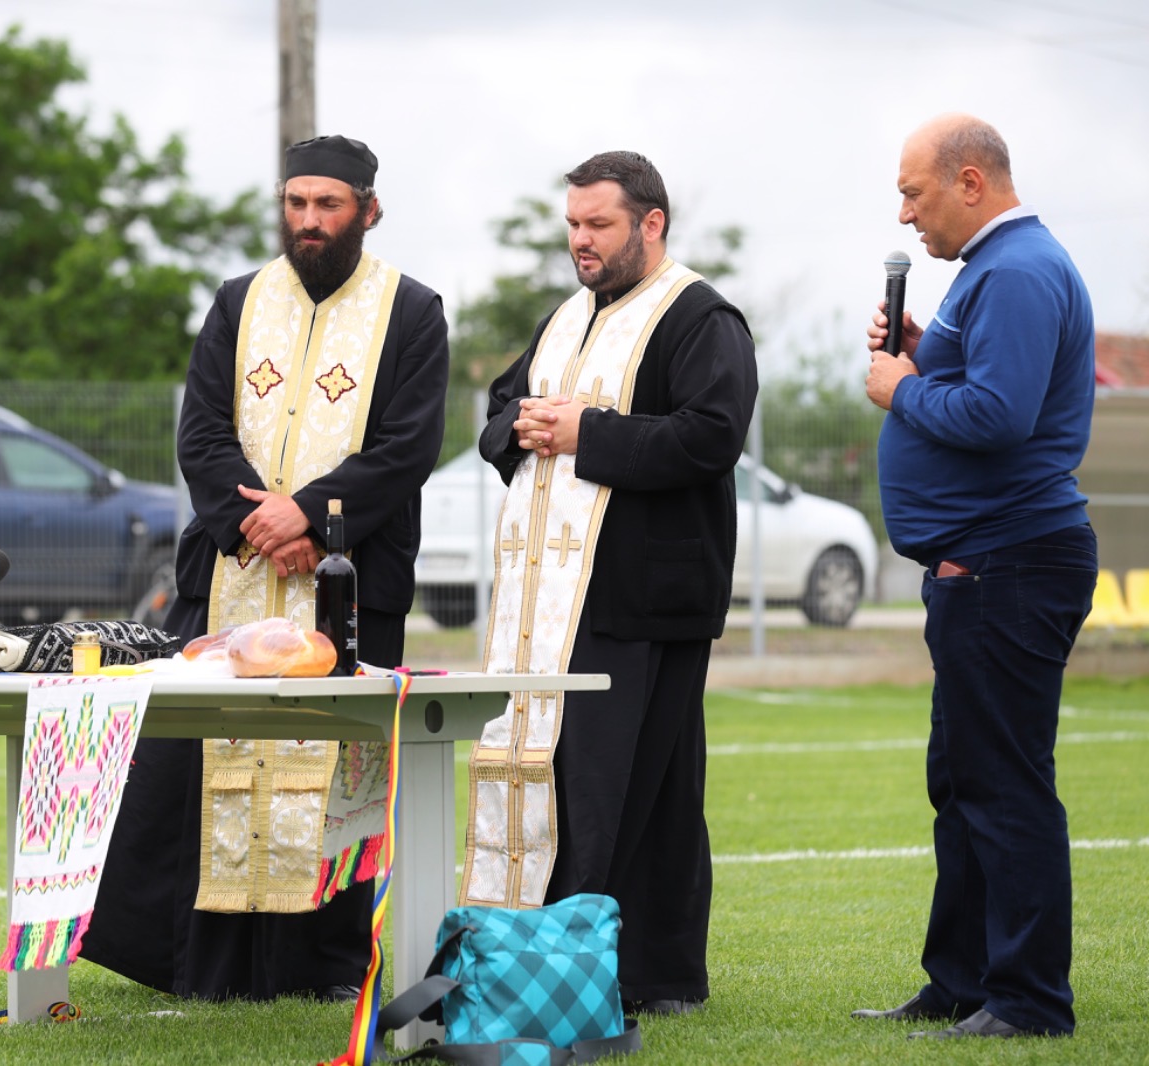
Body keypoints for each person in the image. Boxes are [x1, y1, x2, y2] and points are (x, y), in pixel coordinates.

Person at [79, 134, 450, 1001]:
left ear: (368, 208)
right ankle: (202, 968)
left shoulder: (412, 310)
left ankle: (317, 971)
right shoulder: (238, 301)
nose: (309, 221)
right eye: (296, 203)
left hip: (346, 587)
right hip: (231, 579)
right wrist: (255, 521)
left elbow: (408, 447)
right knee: (200, 764)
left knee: (330, 777)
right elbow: (200, 431)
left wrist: (314, 517)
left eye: (328, 205)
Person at [458, 150, 757, 1016]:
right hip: (550, 607)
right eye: (573, 226)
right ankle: (554, 957)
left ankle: (644, 974)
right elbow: (501, 413)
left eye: (599, 225)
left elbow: (710, 437)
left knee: (639, 790)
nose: (580, 243)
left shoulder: (702, 316)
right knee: (574, 779)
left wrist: (588, 432)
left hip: (644, 601)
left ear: (651, 224)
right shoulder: (565, 316)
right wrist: (522, 425)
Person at [851, 114, 1096, 1040]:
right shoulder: (990, 275)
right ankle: (961, 981)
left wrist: (901, 386)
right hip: (983, 567)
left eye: (914, 192)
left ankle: (1030, 1000)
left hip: (1012, 563)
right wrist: (926, 345)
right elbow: (983, 383)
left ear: (969, 182)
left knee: (1005, 785)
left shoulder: (1021, 272)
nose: (905, 211)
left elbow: (998, 415)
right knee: (961, 782)